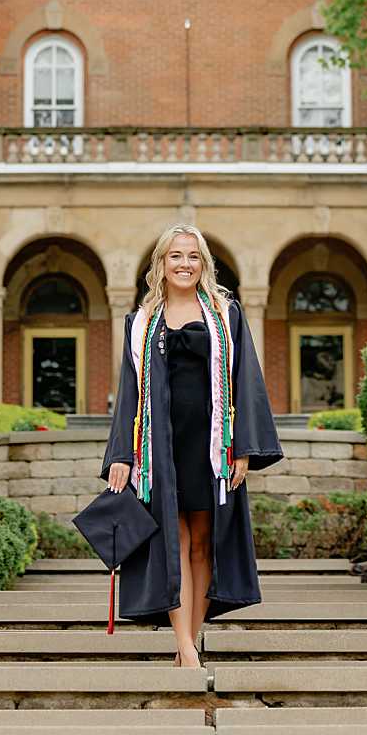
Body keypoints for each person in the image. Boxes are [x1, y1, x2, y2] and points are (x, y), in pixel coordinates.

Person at [100, 222, 284, 667]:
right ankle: (185, 647)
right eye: (176, 256)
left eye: (193, 256)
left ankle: (191, 640)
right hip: (160, 447)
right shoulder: (141, 322)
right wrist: (121, 454)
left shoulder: (226, 315)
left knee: (204, 542)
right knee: (173, 541)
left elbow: (247, 382)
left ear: (204, 264)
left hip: (211, 444)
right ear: (161, 264)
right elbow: (129, 392)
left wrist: (243, 447)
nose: (185, 264)